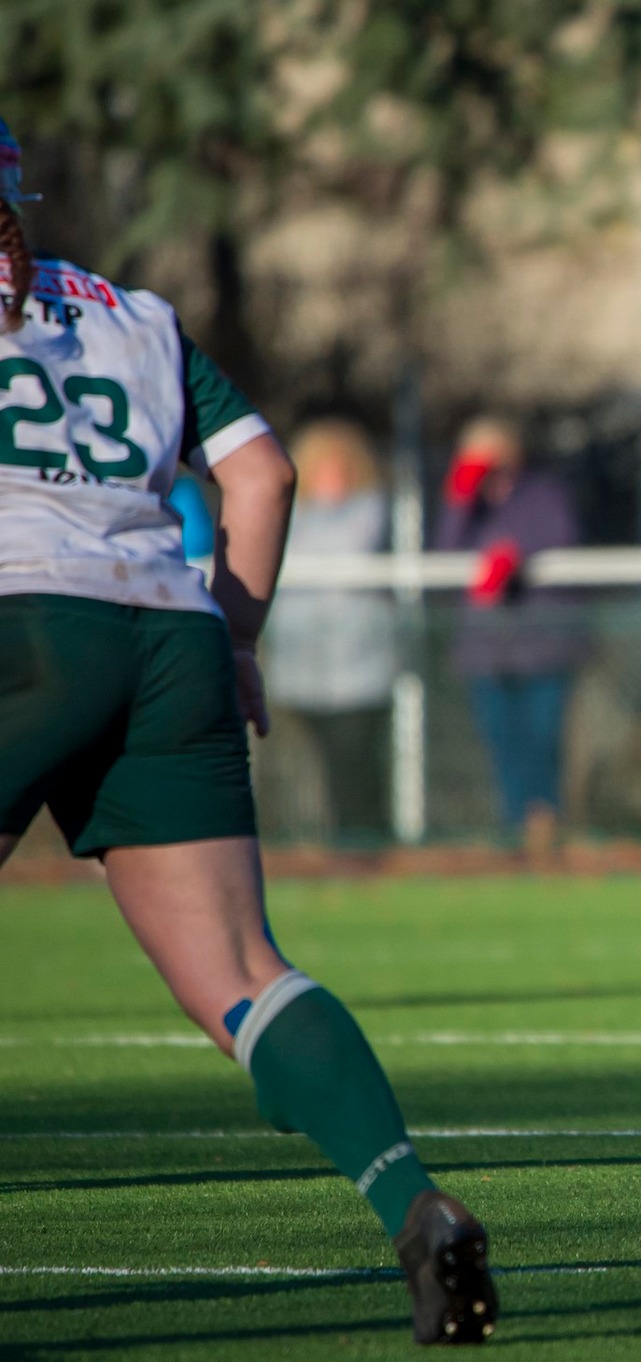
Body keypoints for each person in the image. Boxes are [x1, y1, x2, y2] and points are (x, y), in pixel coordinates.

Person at [0, 119, 498, 1344]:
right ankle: (411, 1200)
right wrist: (232, 643)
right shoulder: (136, 315)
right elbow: (263, 475)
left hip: (19, 623)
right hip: (167, 635)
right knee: (241, 972)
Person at [433, 416, 586, 854]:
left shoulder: (543, 494)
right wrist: (459, 501)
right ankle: (516, 828)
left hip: (543, 644)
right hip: (486, 648)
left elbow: (561, 539)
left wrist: (514, 558)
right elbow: (446, 552)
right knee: (503, 743)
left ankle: (547, 826)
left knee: (543, 739)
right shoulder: (467, 502)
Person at [266, 418, 399, 843]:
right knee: (321, 769)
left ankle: (365, 845)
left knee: (357, 765)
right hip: (304, 668)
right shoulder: (291, 514)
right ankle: (337, 844)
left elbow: (350, 550)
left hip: (360, 669)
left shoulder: (373, 509)